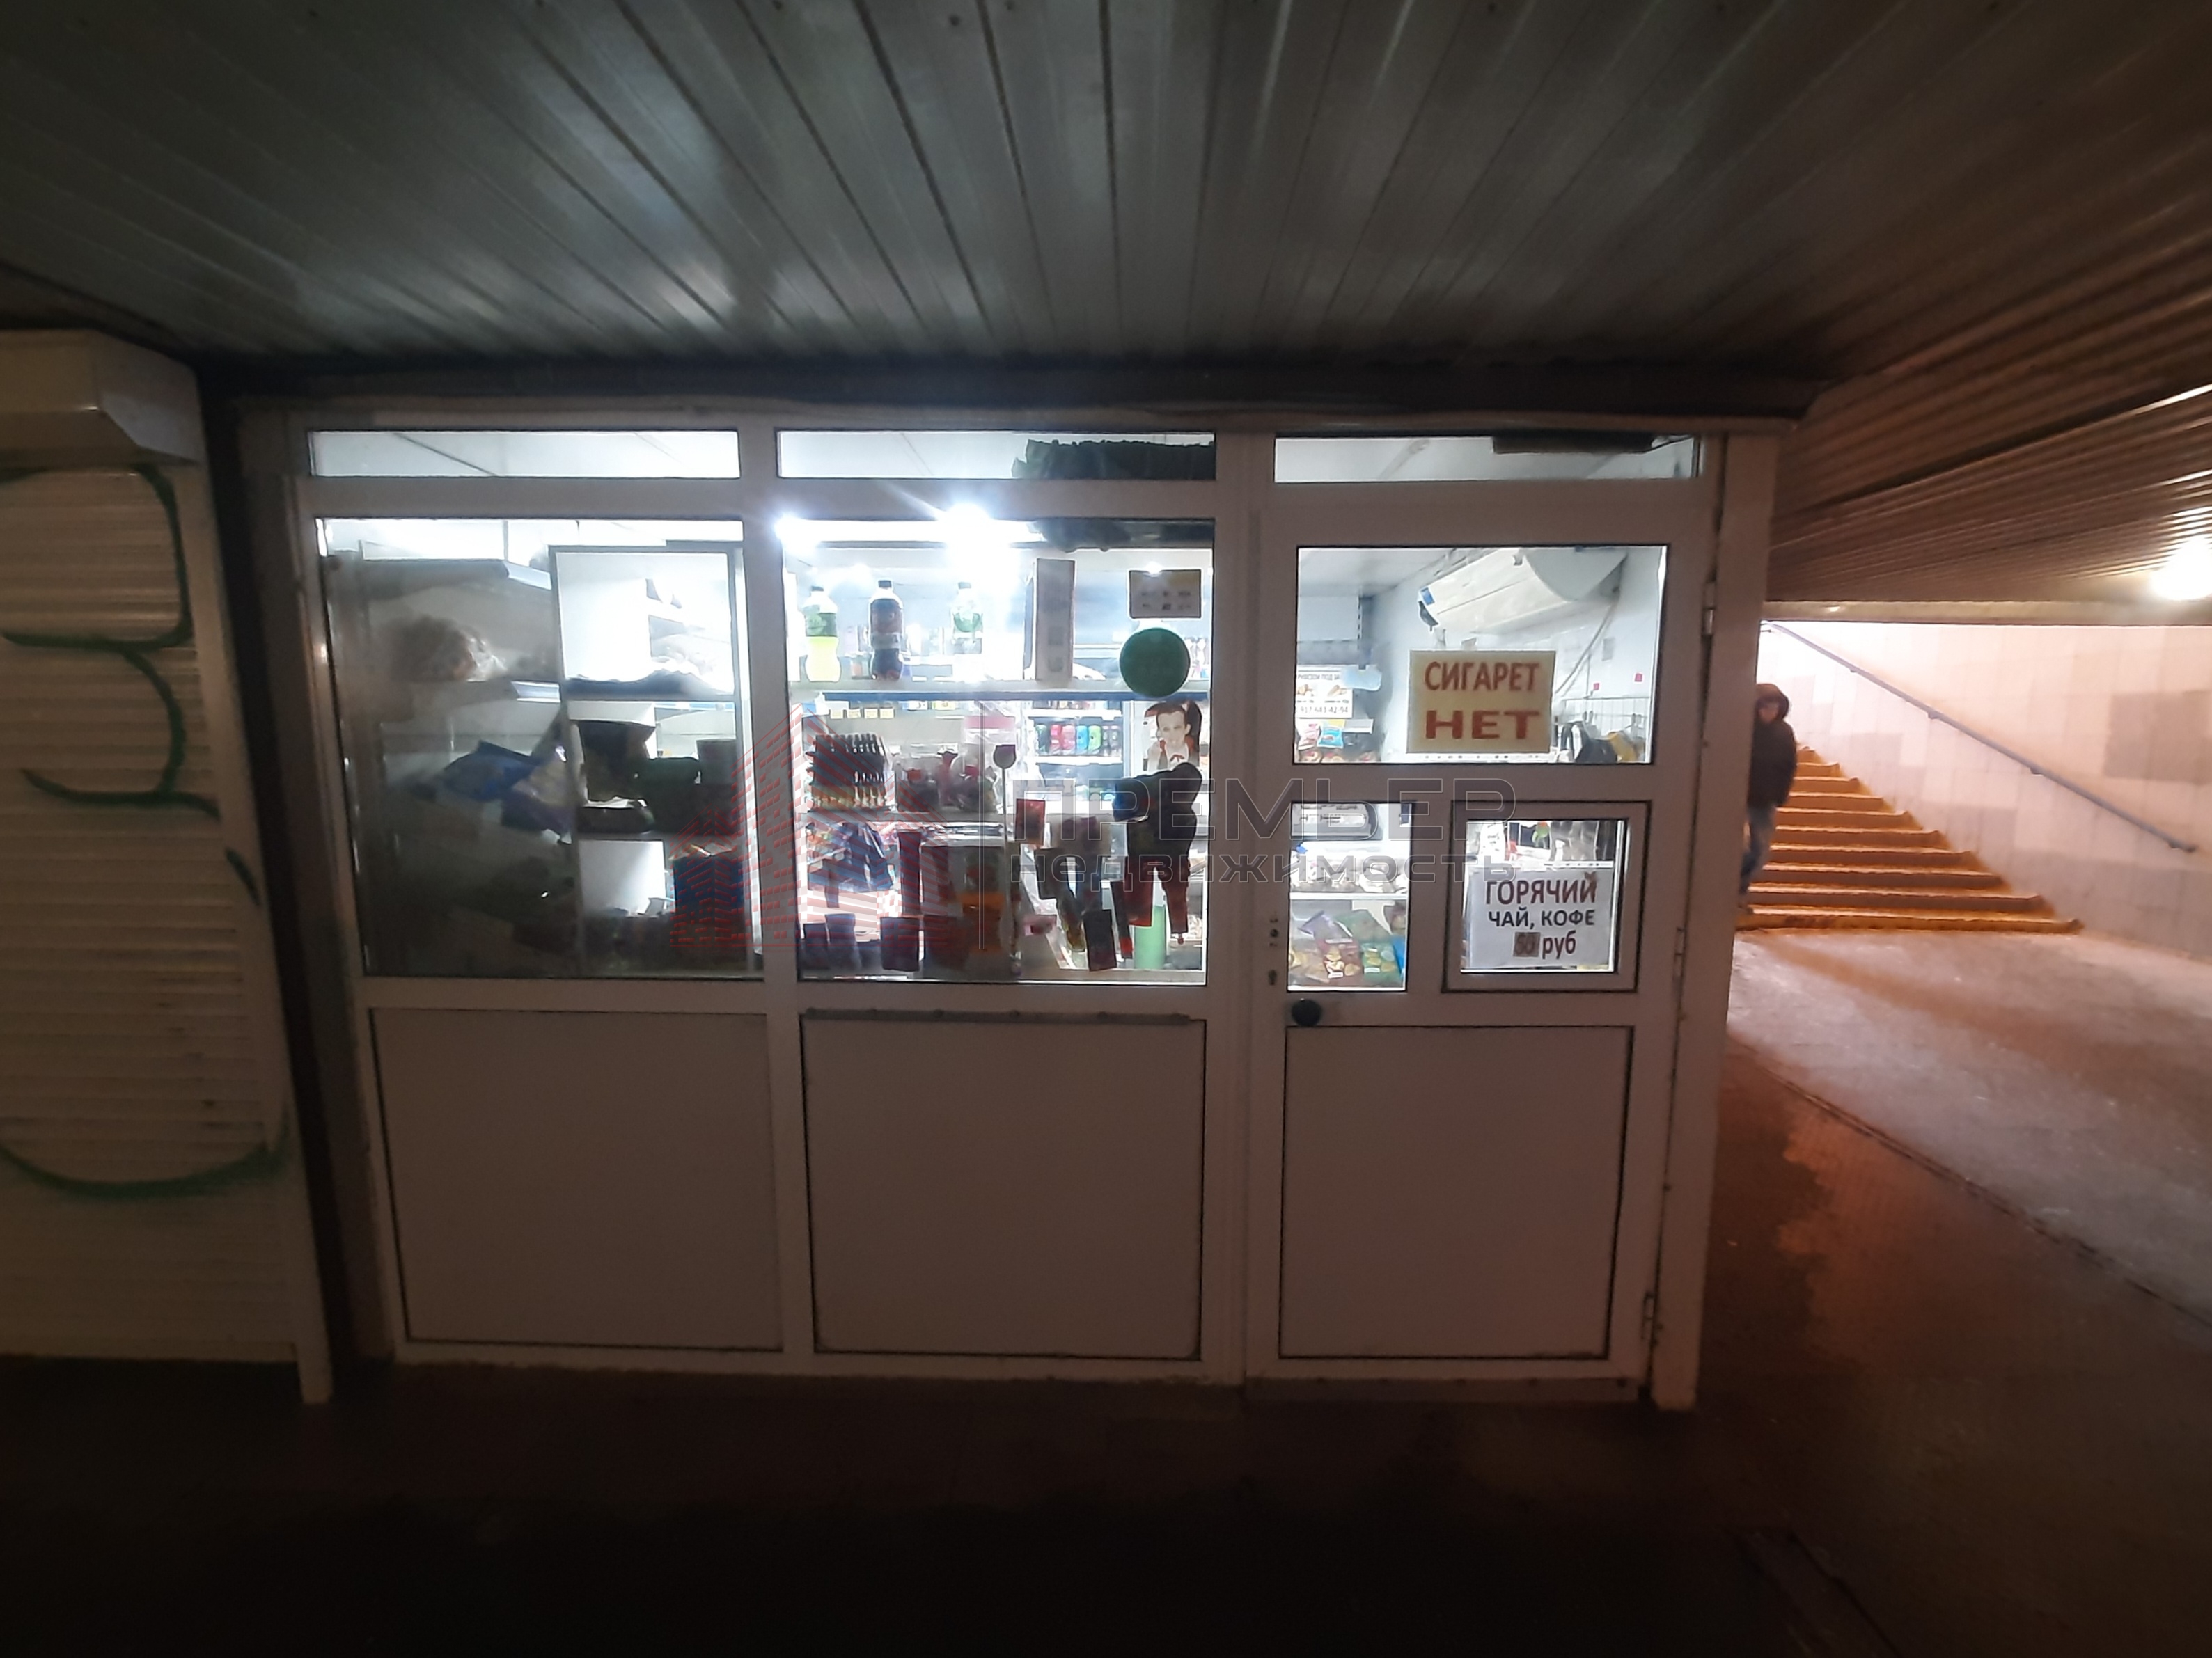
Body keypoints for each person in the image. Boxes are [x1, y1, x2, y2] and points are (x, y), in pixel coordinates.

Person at [1742, 683, 1796, 901]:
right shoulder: (1743, 728)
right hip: (1737, 799)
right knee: (1740, 849)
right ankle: (1730, 893)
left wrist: (1781, 795)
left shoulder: (1784, 732)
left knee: (1760, 852)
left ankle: (1739, 890)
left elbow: (1789, 766)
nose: (1770, 712)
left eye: (1775, 707)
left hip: (1764, 801)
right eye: (1765, 707)